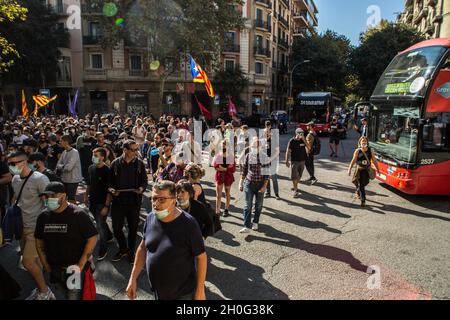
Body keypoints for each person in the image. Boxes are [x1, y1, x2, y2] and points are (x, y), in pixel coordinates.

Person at [126, 181, 207, 300]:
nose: (155, 204)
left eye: (162, 199)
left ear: (174, 200)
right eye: (153, 198)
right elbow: (143, 248)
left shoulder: (189, 224)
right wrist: (132, 279)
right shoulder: (150, 218)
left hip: (182, 294)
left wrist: (200, 291)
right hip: (159, 292)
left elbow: (201, 257)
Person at [35, 182, 98, 300]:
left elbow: (92, 238)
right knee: (64, 294)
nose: (49, 200)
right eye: (47, 197)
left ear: (63, 196)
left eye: (52, 196)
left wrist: (80, 265)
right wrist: (46, 265)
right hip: (54, 269)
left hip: (73, 270)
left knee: (73, 297)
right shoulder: (43, 217)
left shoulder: (78, 214)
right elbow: (39, 243)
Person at [8, 151, 54, 300]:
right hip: (22, 226)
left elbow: (49, 204)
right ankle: (40, 287)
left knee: (27, 262)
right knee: (34, 262)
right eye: (10, 164)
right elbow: (16, 197)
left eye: (14, 163)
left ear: (24, 162)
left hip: (36, 227)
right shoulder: (15, 179)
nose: (11, 167)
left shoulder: (40, 179)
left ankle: (45, 291)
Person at [109, 140, 148, 263]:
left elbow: (144, 181)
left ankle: (131, 251)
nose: (137, 152)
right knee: (116, 228)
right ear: (124, 150)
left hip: (134, 202)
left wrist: (141, 188)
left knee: (133, 229)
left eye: (137, 149)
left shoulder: (139, 164)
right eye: (134, 150)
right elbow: (109, 182)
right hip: (118, 202)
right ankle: (122, 248)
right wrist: (112, 190)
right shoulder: (115, 163)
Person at [85, 148, 114, 261]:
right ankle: (110, 236)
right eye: (93, 154)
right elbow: (89, 183)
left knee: (100, 226)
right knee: (99, 221)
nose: (93, 157)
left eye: (96, 155)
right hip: (92, 201)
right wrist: (86, 196)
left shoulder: (107, 171)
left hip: (102, 203)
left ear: (102, 157)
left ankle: (103, 249)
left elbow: (109, 190)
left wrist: (106, 206)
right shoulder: (91, 168)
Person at [238, 137, 270, 233]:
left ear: (260, 147)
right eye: (252, 146)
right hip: (249, 183)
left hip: (260, 184)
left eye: (255, 146)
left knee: (259, 205)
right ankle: (246, 226)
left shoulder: (264, 157)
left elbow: (267, 175)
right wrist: (240, 182)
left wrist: (264, 186)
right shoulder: (248, 156)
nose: (253, 148)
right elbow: (244, 171)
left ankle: (255, 221)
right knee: (247, 205)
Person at [348, 136, 380, 207]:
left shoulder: (370, 150)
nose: (364, 142)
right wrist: (349, 169)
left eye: (365, 141)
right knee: (361, 185)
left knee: (365, 183)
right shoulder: (357, 151)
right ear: (360, 142)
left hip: (367, 170)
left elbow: (374, 160)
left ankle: (358, 191)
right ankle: (363, 201)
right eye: (362, 141)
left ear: (367, 142)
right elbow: (353, 160)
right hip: (359, 170)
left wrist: (378, 169)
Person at [56, 135, 83, 204]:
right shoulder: (64, 152)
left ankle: (74, 213)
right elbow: (57, 165)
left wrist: (61, 166)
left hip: (73, 180)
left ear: (66, 142)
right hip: (64, 179)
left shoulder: (74, 152)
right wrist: (63, 166)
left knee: (71, 199)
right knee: (64, 198)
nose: (60, 142)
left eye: (61, 141)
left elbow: (69, 168)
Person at [212, 141, 235, 217]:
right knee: (218, 195)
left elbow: (233, 169)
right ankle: (217, 210)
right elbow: (216, 166)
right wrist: (226, 168)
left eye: (224, 146)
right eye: (222, 146)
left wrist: (224, 169)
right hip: (219, 177)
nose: (223, 147)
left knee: (227, 193)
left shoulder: (230, 156)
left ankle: (226, 209)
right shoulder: (218, 156)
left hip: (228, 177)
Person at [286, 128, 307, 198]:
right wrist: (286, 161)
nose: (301, 135)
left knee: (299, 176)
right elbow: (288, 151)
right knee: (294, 176)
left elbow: (309, 148)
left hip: (302, 161)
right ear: (296, 133)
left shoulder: (303, 140)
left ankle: (295, 185)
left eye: (302, 133)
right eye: (300, 133)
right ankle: (295, 190)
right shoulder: (292, 141)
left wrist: (304, 140)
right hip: (294, 161)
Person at [263, 121, 280, 199]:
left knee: (274, 178)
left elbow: (277, 151)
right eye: (265, 133)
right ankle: (268, 192)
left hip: (273, 160)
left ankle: (276, 194)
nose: (266, 134)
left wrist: (271, 159)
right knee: (266, 178)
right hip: (265, 161)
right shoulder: (262, 142)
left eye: (267, 133)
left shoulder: (274, 140)